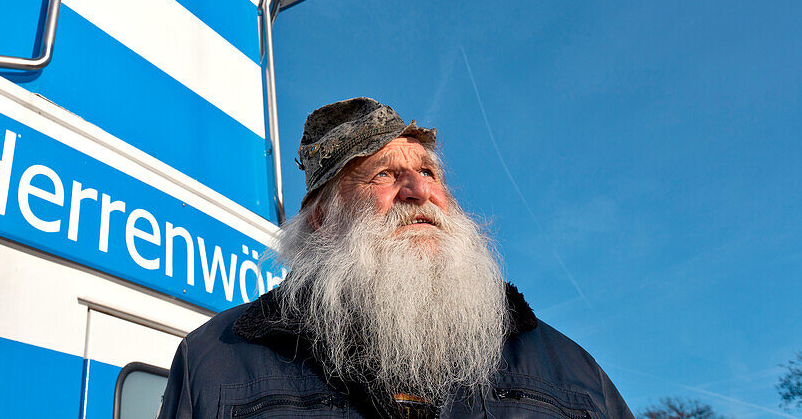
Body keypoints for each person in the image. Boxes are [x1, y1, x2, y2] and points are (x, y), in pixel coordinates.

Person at [158, 97, 635, 419]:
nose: (419, 189)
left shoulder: (570, 371)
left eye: (428, 171)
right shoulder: (217, 361)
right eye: (384, 174)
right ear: (323, 218)